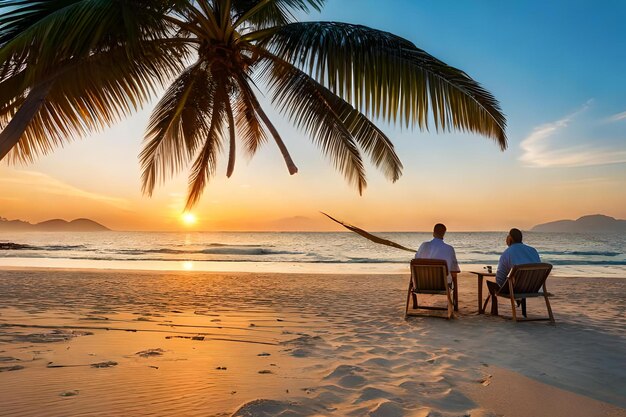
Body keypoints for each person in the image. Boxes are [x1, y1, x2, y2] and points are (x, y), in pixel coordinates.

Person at [487, 228, 540, 315]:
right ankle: (521, 306)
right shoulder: (533, 250)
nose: (506, 238)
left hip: (515, 289)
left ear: (511, 238)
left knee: (491, 285)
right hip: (533, 288)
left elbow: (500, 278)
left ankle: (494, 313)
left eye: (508, 236)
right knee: (517, 281)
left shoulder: (507, 253)